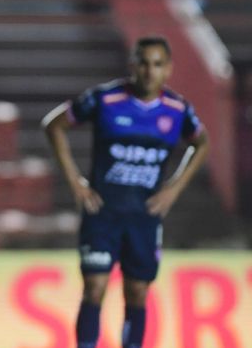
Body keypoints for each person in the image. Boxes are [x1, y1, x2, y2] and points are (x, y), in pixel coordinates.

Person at [42, 36, 209, 348]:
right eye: (143, 63)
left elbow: (201, 143)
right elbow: (54, 125)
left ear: (168, 69)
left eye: (157, 64)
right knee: (94, 287)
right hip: (102, 212)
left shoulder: (178, 110)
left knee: (138, 292)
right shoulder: (104, 99)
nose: (149, 71)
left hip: (144, 217)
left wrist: (173, 189)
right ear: (133, 65)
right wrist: (75, 180)